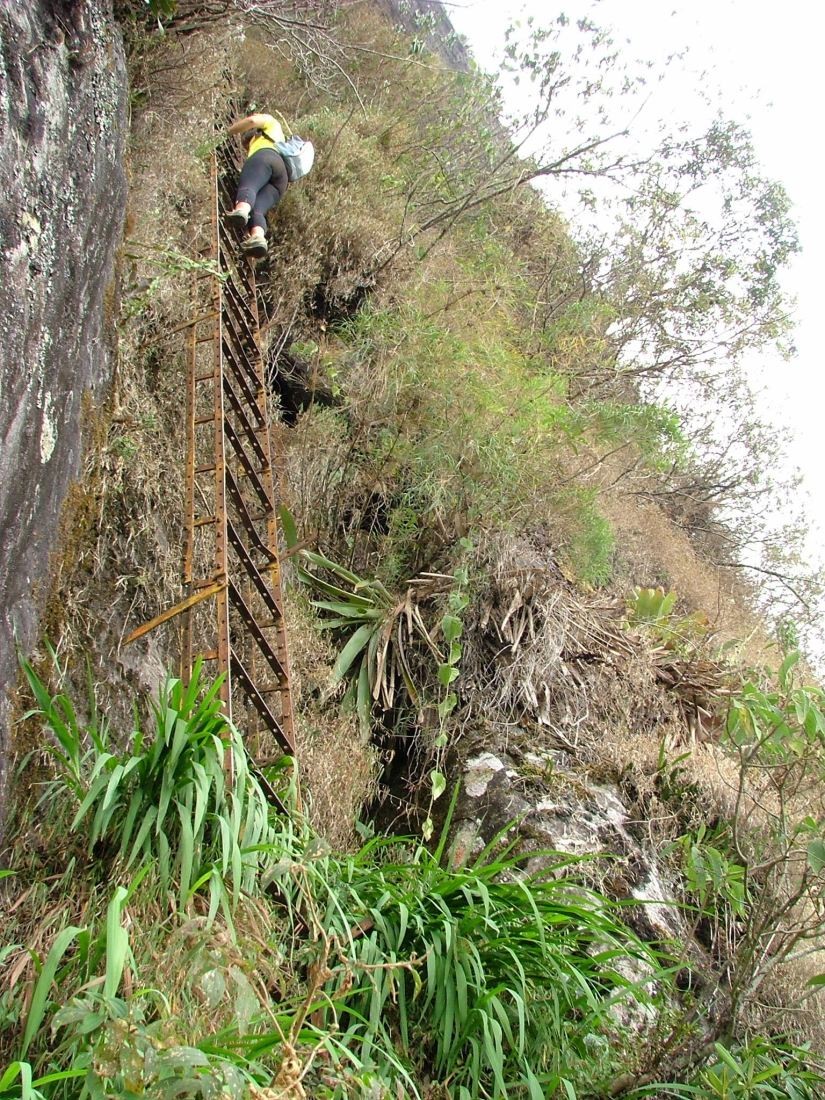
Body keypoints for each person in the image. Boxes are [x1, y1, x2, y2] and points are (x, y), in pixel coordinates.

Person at [226, 111, 290, 259]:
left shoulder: (271, 122)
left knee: (249, 185)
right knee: (258, 209)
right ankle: (258, 237)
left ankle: (241, 210)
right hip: (282, 180)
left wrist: (227, 132)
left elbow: (252, 121)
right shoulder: (280, 141)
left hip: (267, 158)